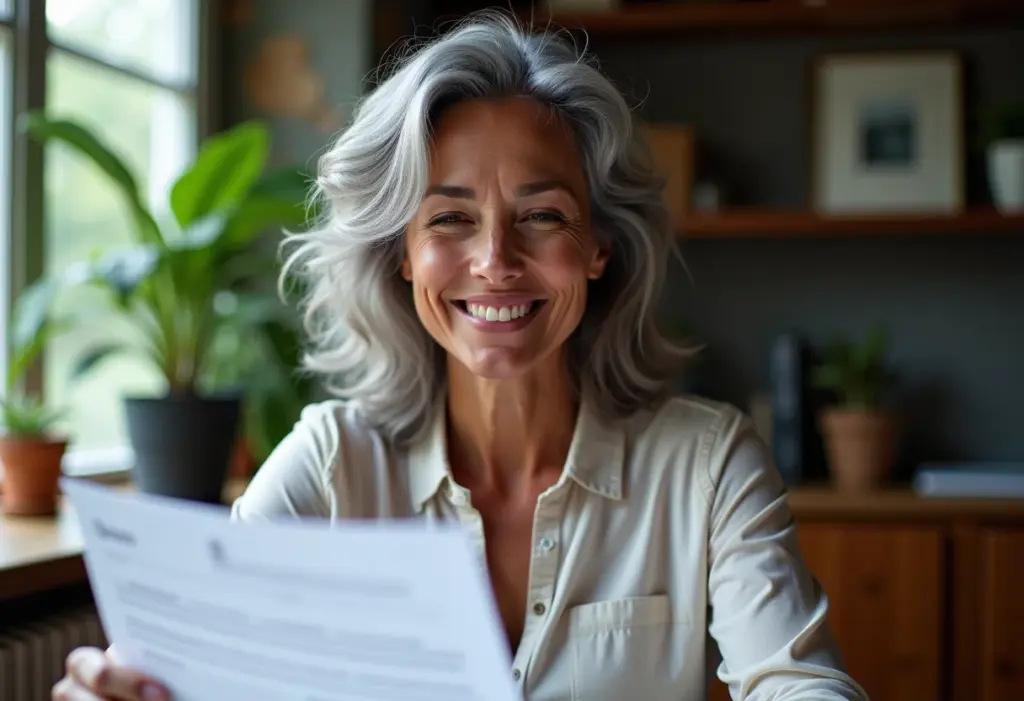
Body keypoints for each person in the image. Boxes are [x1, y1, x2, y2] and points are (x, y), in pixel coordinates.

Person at [53, 11, 869, 701]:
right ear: (402, 254)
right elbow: (203, 661)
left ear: (599, 246)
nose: (494, 260)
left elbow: (798, 679)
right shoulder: (333, 462)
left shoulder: (708, 463)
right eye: (448, 219)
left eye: (543, 215)